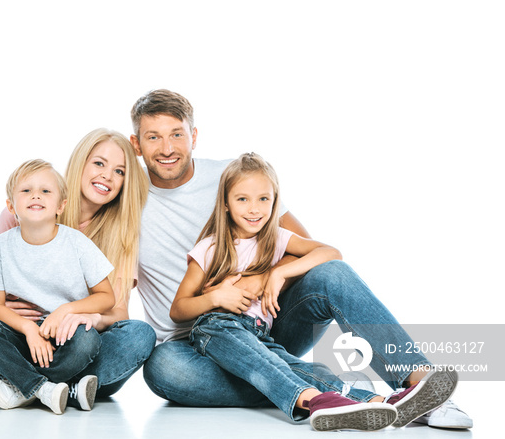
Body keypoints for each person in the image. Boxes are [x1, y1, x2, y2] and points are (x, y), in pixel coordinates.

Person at [130, 89, 471, 429]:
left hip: (266, 323)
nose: (167, 148)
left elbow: (307, 248)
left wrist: (265, 278)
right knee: (163, 369)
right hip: (190, 346)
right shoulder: (125, 198)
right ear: (136, 144)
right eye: (153, 137)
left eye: (177, 134)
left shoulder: (232, 178)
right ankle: (347, 395)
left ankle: (422, 388)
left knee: (332, 274)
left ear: (194, 136)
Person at [170, 153, 457, 431]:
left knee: (302, 369)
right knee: (236, 339)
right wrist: (215, 298)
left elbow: (331, 253)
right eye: (242, 199)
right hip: (217, 328)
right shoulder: (211, 247)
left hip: (260, 334)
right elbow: (179, 308)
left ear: (275, 201)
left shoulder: (278, 240)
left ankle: (383, 403)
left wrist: (278, 272)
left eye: (263, 199)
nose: (254, 209)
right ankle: (313, 400)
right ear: (226, 204)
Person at [0, 129, 155, 410]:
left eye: (119, 171)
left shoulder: (120, 232)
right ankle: (62, 389)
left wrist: (75, 313)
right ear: (81, 162)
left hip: (75, 343)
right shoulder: (20, 214)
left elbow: (116, 312)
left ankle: (5, 383)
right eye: (99, 163)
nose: (107, 176)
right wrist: (27, 326)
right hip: (20, 336)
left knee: (138, 335)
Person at [0, 158, 117, 413]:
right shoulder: (0, 247)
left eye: (45, 191)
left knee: (89, 340)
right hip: (21, 336)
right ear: (10, 206)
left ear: (61, 205)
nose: (35, 195)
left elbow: (106, 297)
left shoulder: (77, 243)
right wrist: (28, 329)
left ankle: (16, 383)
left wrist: (64, 311)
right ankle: (46, 389)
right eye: (26, 190)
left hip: (64, 335)